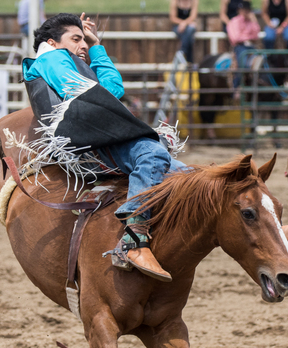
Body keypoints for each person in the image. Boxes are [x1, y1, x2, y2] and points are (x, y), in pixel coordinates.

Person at [23, 13, 187, 282]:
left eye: (84, 40)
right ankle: (133, 240)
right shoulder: (51, 58)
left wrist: (95, 45)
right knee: (153, 153)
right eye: (76, 39)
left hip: (99, 138)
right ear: (52, 43)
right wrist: (93, 54)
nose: (83, 45)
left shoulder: (68, 62)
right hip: (91, 142)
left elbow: (112, 89)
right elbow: (85, 90)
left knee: (188, 174)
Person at [226, 1, 260, 93]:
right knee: (242, 62)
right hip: (240, 47)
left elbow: (256, 35)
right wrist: (248, 37)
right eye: (243, 10)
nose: (245, 12)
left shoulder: (252, 22)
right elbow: (235, 38)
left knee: (263, 60)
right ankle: (237, 87)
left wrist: (254, 22)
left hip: (251, 46)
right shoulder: (234, 21)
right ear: (239, 10)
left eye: (247, 10)